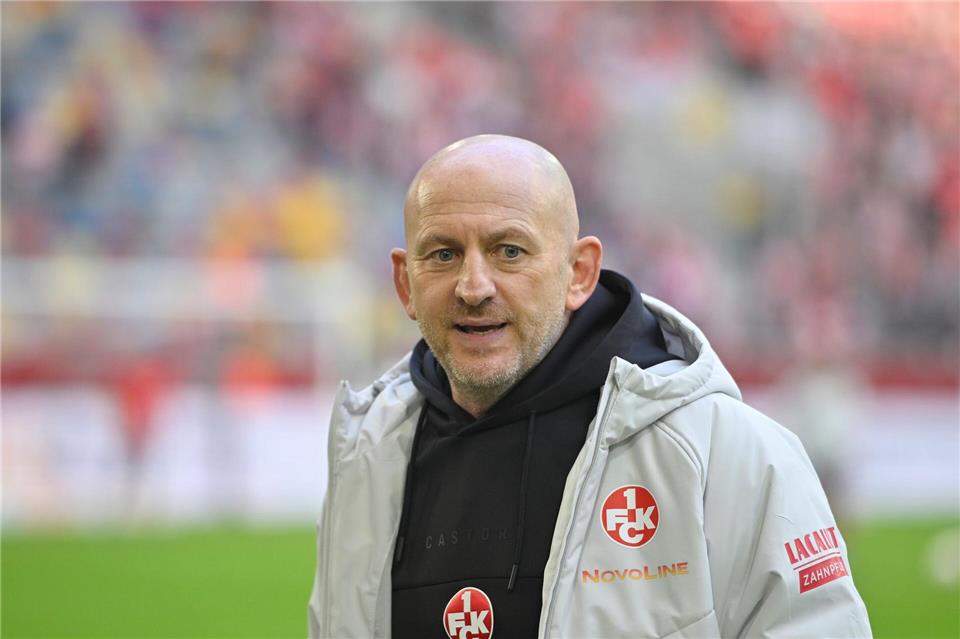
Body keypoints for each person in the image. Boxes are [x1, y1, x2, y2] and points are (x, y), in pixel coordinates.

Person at [308, 135, 871, 638]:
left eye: (510, 251)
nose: (474, 286)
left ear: (579, 272)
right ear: (405, 283)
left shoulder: (724, 451)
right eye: (444, 254)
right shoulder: (366, 463)